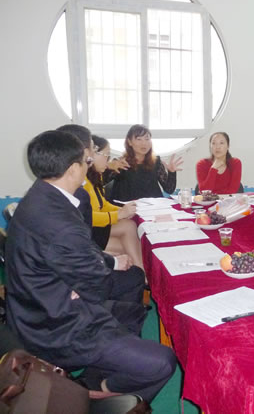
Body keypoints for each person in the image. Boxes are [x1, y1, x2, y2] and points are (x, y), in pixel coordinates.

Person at [5, 130, 176, 401]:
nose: (90, 165)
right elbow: (97, 287)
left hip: (39, 304)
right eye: (86, 160)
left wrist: (83, 277)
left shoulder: (40, 196)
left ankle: (94, 378)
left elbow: (81, 259)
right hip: (54, 325)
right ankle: (97, 395)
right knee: (162, 362)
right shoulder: (60, 222)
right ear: (73, 169)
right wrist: (81, 283)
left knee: (132, 311)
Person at [85, 135, 143, 270]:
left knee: (129, 241)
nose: (108, 160)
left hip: (95, 228)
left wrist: (122, 210)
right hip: (89, 230)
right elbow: (88, 217)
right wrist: (119, 214)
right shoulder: (82, 182)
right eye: (106, 155)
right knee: (129, 229)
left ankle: (140, 272)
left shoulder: (95, 175)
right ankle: (141, 272)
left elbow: (103, 204)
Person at [108, 124, 183, 202]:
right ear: (129, 142)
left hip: (154, 206)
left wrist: (171, 172)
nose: (144, 143)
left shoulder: (156, 161)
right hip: (128, 207)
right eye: (139, 139)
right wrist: (108, 167)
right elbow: (102, 183)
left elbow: (169, 190)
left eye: (147, 139)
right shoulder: (120, 163)